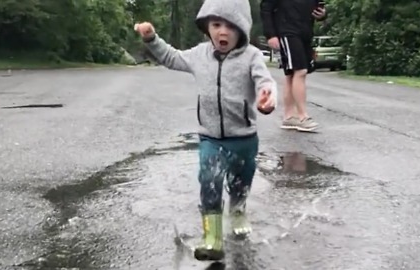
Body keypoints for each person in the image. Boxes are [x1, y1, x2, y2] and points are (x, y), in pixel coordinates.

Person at [134, 0, 278, 261]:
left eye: (230, 26)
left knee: (240, 182)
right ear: (207, 27)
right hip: (210, 137)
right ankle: (212, 239)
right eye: (216, 25)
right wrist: (152, 39)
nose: (223, 32)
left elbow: (264, 81)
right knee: (209, 181)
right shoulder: (200, 55)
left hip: (245, 138)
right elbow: (171, 57)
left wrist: (267, 97)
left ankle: (237, 211)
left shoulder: (252, 56)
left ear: (242, 29)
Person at [260, 0, 327, 132]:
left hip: (305, 33)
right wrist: (271, 35)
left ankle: (289, 116)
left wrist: (323, 14)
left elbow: (319, 7)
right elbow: (266, 9)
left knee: (291, 74)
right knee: (300, 71)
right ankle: (303, 117)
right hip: (287, 32)